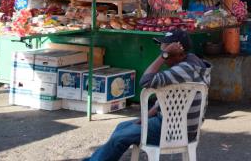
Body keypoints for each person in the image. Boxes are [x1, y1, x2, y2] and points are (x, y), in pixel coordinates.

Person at [87, 29, 212, 161]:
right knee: (122, 127)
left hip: (175, 130)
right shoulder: (191, 62)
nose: (161, 53)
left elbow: (145, 80)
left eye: (165, 51)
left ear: (178, 51)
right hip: (176, 124)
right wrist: (141, 120)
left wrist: (163, 56)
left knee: (120, 137)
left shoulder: (185, 70)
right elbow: (164, 103)